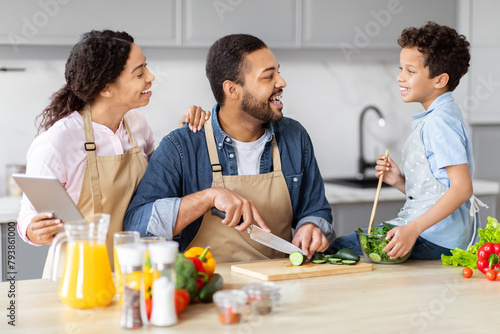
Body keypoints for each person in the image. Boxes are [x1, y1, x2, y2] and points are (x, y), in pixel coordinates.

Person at [124, 34, 334, 262]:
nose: (281, 82)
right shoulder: (182, 146)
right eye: (268, 77)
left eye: (279, 72)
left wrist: (312, 225)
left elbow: (316, 209)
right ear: (232, 90)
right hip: (209, 288)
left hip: (280, 284)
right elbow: (137, 226)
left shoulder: (295, 137)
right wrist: (208, 197)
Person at [17, 30, 209, 273]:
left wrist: (185, 134)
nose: (150, 77)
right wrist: (33, 230)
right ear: (106, 88)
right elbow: (28, 215)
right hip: (80, 276)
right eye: (139, 73)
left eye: (146, 68)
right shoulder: (57, 142)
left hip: (134, 272)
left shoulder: (137, 125)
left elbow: (160, 184)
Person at [332, 22, 481, 260]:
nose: (400, 78)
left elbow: (462, 188)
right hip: (434, 235)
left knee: (336, 249)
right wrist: (399, 181)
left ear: (440, 80)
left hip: (434, 238)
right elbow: (435, 191)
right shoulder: (440, 117)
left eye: (410, 72)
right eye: (401, 69)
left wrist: (412, 229)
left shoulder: (439, 123)